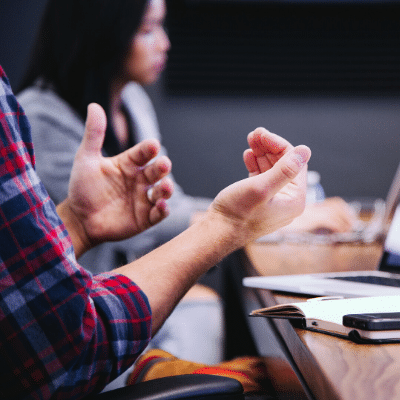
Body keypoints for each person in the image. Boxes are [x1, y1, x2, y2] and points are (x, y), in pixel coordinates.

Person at [0, 64, 311, 399]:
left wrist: (76, 223)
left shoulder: (134, 100)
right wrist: (229, 225)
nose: (164, 43)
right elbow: (65, 344)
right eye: (148, 29)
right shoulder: (40, 113)